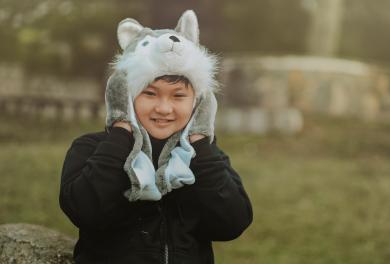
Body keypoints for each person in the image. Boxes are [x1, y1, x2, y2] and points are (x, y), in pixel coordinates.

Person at [59, 10, 252, 264]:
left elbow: (232, 223)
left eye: (178, 96)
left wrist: (201, 143)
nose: (163, 108)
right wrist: (120, 134)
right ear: (126, 96)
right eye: (149, 94)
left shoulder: (204, 158)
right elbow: (85, 210)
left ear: (198, 102)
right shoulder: (92, 148)